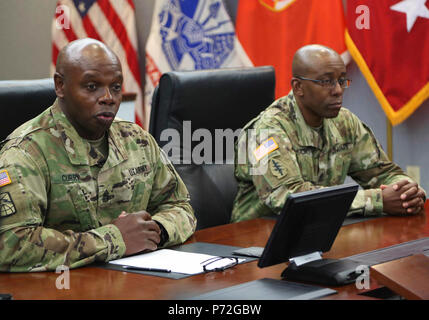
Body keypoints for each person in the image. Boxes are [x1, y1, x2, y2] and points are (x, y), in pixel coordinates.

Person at [0, 38, 196, 272]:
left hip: (136, 282)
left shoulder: (137, 140)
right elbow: (11, 244)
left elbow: (180, 206)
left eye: (115, 87)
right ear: (60, 86)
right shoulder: (25, 153)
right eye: (92, 86)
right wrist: (113, 239)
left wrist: (154, 231)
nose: (108, 98)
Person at [231, 44, 426, 222]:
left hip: (318, 230)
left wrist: (406, 191)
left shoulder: (344, 121)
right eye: (326, 82)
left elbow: (383, 173)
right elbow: (289, 198)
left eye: (342, 81)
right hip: (255, 241)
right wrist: (378, 200)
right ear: (298, 87)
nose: (338, 90)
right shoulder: (267, 130)